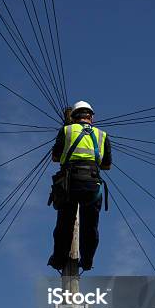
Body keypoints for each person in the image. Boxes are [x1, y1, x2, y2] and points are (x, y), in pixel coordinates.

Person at [47, 100, 112, 271]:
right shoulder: (102, 135)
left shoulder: (67, 130)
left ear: (73, 116)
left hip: (69, 183)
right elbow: (107, 165)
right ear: (92, 117)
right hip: (92, 184)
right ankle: (88, 260)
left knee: (64, 224)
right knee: (90, 226)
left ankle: (59, 259)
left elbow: (55, 157)